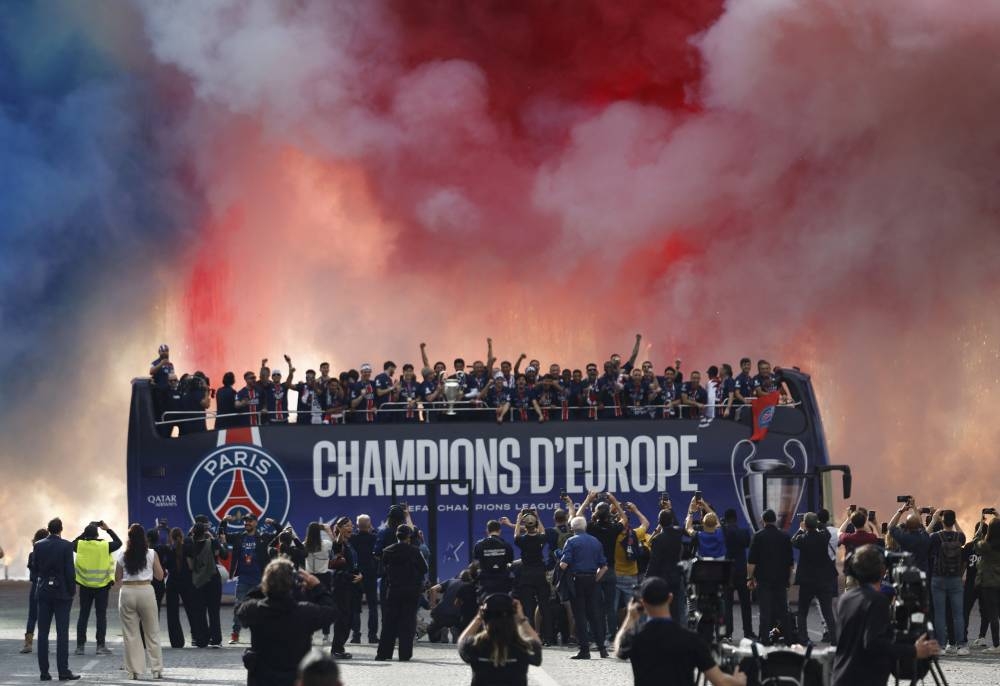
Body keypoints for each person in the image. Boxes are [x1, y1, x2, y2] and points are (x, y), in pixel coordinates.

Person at [833, 545, 940, 686]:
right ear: (882, 571)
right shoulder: (877, 601)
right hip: (864, 680)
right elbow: (873, 643)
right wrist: (914, 650)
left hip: (841, 677)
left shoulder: (845, 599)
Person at [614, 576, 747, 686]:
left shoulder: (636, 636)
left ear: (642, 602)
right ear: (670, 598)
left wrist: (630, 618)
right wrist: (739, 681)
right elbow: (720, 681)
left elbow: (619, 649)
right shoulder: (691, 639)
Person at [236, 559, 339, 686]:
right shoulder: (304, 612)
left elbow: (240, 608)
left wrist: (266, 584)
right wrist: (317, 587)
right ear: (293, 585)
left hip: (262, 678)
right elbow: (332, 611)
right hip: (294, 678)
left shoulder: (254, 610)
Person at [115, 523, 165, 680]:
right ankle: (156, 669)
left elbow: (117, 578)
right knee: (152, 632)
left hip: (127, 592)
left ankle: (134, 671)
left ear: (129, 538)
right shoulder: (151, 553)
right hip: (146, 591)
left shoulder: (122, 555)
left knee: (131, 634)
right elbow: (160, 576)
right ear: (144, 537)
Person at [458, 594, 542, 686]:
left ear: (485, 616)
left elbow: (462, 642)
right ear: (513, 617)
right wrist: (521, 619)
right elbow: (537, 646)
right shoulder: (523, 647)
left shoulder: (476, 645)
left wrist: (478, 618)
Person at [34, 517, 81, 681]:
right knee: (62, 633)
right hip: (62, 594)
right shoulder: (67, 546)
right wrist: (72, 591)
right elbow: (70, 570)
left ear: (48, 529)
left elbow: (35, 567)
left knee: (42, 633)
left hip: (44, 591)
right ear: (61, 529)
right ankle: (63, 671)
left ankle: (44, 672)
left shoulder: (38, 545)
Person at [376, 524, 428, 662]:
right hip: (411, 590)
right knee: (407, 622)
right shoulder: (415, 551)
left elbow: (382, 570)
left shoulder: (387, 551)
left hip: (393, 589)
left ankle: (383, 653)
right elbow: (424, 568)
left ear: (397, 536)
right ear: (409, 536)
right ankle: (404, 654)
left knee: (389, 622)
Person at [559, 515, 609, 659]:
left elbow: (564, 564)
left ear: (572, 528)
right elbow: (604, 567)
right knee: (595, 616)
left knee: (580, 616)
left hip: (577, 581)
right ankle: (602, 649)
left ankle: (585, 650)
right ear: (585, 527)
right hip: (592, 580)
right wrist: (595, 579)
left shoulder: (571, 541)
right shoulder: (596, 541)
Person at [225, 513, 278, 644]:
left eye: (249, 521)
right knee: (239, 606)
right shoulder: (239, 537)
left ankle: (262, 634)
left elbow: (280, 534)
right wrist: (223, 522)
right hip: (243, 579)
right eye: (245, 521)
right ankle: (235, 634)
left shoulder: (263, 537)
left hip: (260, 580)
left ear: (255, 522)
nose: (247, 523)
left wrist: (273, 523)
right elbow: (224, 536)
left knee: (262, 608)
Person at [72, 520, 121, 655]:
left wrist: (86, 531)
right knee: (101, 616)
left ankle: (80, 647)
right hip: (102, 587)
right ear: (97, 534)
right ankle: (100, 646)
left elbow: (72, 543)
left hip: (85, 586)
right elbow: (119, 542)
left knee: (83, 615)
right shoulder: (104, 546)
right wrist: (108, 529)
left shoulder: (80, 545)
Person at [747, 509, 794, 644]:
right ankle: (789, 639)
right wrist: (790, 579)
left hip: (764, 579)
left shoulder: (758, 536)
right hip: (781, 579)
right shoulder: (785, 536)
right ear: (775, 520)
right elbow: (790, 562)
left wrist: (749, 578)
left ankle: (765, 639)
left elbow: (751, 562)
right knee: (783, 611)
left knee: (765, 611)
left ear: (763, 520)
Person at [506, 509, 552, 642]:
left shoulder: (521, 540)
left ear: (525, 526)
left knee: (528, 608)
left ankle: (530, 637)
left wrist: (518, 519)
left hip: (526, 576)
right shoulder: (540, 538)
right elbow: (543, 532)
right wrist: (538, 517)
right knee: (544, 606)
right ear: (536, 524)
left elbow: (515, 535)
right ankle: (548, 638)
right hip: (540, 575)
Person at [791, 513, 837, 645]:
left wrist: (801, 528)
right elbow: (826, 531)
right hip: (823, 580)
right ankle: (835, 639)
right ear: (816, 524)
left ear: (805, 524)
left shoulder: (802, 539)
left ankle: (804, 639)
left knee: (803, 611)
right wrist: (818, 522)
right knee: (828, 611)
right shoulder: (824, 537)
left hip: (807, 581)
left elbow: (793, 540)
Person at [927, 509, 968, 654]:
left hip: (938, 578)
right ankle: (962, 646)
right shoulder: (959, 537)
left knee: (939, 613)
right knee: (957, 613)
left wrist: (933, 520)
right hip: (955, 579)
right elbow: (964, 536)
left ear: (942, 521)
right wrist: (955, 521)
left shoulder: (935, 537)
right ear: (954, 520)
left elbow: (923, 538)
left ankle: (941, 646)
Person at [186, 521, 228, 648]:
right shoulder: (212, 542)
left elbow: (190, 566)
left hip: (198, 582)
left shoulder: (189, 546)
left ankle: (201, 640)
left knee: (200, 611)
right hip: (213, 580)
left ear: (193, 532)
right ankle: (216, 639)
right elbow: (222, 555)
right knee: (214, 611)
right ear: (205, 532)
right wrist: (219, 541)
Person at [329, 516, 362, 659]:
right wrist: (338, 534)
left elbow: (351, 564)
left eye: (352, 526)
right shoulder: (338, 544)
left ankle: (340, 647)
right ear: (340, 527)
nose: (351, 528)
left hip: (351, 585)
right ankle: (337, 649)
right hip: (341, 586)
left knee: (348, 618)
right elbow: (338, 568)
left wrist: (359, 575)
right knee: (342, 618)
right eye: (347, 526)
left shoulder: (349, 544)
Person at [645, 508, 686, 623]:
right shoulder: (678, 533)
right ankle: (677, 631)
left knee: (662, 607)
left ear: (659, 522)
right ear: (672, 520)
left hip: (662, 579)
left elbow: (654, 562)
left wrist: (646, 579)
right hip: (676, 576)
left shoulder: (658, 540)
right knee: (676, 608)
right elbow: (678, 527)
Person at [721, 509, 754, 641]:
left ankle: (728, 633)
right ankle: (748, 632)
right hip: (741, 569)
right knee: (746, 603)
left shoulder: (724, 531)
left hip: (727, 570)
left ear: (726, 518)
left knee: (727, 604)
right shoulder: (744, 532)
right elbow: (747, 544)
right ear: (735, 518)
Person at [163, 527, 196, 649]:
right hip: (186, 582)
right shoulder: (187, 548)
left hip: (172, 583)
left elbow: (165, 565)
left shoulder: (168, 549)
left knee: (172, 613)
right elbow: (191, 566)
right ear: (181, 536)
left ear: (171, 537)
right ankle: (196, 636)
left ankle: (176, 642)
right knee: (191, 610)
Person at [427, 566, 478, 643]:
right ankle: (456, 629)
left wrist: (433, 607)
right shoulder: (471, 586)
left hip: (440, 614)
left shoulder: (450, 581)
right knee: (464, 633)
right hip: (457, 617)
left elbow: (433, 589)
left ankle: (441, 630)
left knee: (432, 636)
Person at [303, 521, 334, 643]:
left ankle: (308, 635)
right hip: (324, 577)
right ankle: (326, 635)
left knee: (309, 607)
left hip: (309, 577)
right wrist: (327, 529)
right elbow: (335, 541)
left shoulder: (305, 544)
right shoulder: (326, 544)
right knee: (325, 606)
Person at [350, 514, 379, 644]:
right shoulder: (375, 537)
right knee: (373, 607)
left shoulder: (352, 538)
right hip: (371, 575)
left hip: (356, 575)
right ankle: (372, 636)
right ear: (369, 525)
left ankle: (356, 636)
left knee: (356, 607)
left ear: (357, 525)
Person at [21, 528, 50, 654]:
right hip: (48, 586)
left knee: (32, 616)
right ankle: (45, 645)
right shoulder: (51, 553)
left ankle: (28, 644)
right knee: (45, 616)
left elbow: (32, 569)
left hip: (35, 586)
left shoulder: (32, 554)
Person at [975, 518, 1000, 652]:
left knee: (993, 615)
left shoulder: (986, 546)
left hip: (989, 584)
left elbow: (975, 543)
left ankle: (996, 645)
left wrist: (981, 528)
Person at [889, 500, 932, 575]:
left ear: (907, 526)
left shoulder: (903, 537)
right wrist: (914, 508)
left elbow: (891, 527)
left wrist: (901, 511)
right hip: (922, 574)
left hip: (906, 573)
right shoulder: (924, 537)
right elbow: (921, 524)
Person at [473, 520, 514, 597]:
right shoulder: (506, 545)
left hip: (485, 583)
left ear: (487, 531)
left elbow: (476, 562)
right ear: (500, 531)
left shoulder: (479, 545)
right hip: (503, 583)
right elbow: (510, 561)